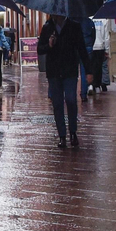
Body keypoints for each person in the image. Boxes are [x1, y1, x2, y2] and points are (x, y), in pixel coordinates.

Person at [38, 14, 91, 148]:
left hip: (70, 70)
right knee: (57, 104)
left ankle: (73, 132)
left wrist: (89, 71)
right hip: (54, 72)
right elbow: (40, 49)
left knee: (71, 100)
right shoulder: (47, 27)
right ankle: (62, 135)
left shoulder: (74, 26)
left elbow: (82, 49)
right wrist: (49, 45)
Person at [89, 18, 111, 95]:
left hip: (91, 46)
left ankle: (90, 84)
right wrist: (107, 50)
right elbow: (106, 37)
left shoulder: (89, 19)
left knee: (90, 66)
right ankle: (97, 85)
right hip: (100, 47)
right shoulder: (104, 21)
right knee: (99, 67)